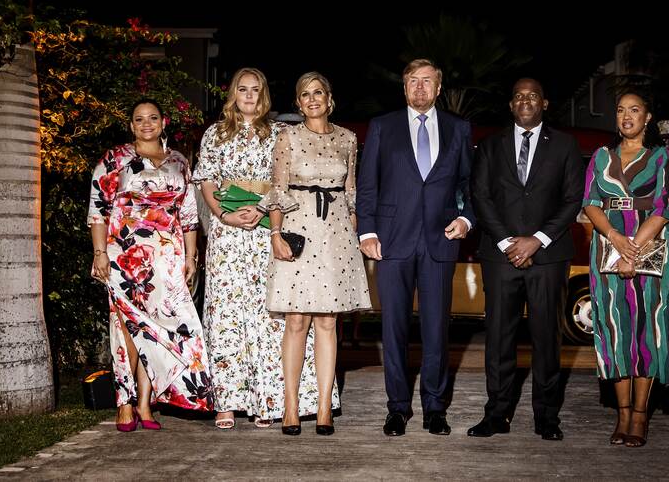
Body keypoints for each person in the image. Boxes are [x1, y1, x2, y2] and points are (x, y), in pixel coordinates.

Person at [194, 68, 331, 429]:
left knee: (268, 315)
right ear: (233, 94)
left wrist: (262, 210)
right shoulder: (215, 134)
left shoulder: (279, 133)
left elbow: (285, 181)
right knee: (225, 313)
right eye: (243, 89)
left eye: (256, 89)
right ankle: (225, 402)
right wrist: (223, 213)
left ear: (264, 94)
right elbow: (206, 182)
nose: (249, 95)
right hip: (227, 233)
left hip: (266, 227)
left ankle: (265, 400)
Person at [356, 58, 475, 437]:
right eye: (413, 81)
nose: (420, 88)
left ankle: (435, 408)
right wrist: (367, 232)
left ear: (439, 88)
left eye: (427, 81)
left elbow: (469, 185)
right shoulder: (382, 127)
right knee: (393, 328)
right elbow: (368, 185)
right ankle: (397, 408)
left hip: (440, 240)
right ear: (404, 87)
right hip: (392, 241)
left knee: (437, 328)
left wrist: (467, 219)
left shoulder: (458, 129)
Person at [467, 78, 584, 441]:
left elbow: (571, 199)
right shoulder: (490, 145)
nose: (525, 101)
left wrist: (536, 240)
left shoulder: (565, 145)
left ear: (544, 103)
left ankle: (546, 416)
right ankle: (496, 414)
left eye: (532, 95)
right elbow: (481, 196)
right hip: (499, 256)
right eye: (518, 96)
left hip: (548, 256)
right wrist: (507, 242)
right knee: (498, 338)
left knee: (547, 338)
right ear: (511, 104)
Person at [88, 99, 213, 431]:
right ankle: (124, 403)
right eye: (139, 119)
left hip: (166, 259)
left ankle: (146, 404)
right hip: (123, 256)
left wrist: (190, 258)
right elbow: (97, 211)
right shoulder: (113, 159)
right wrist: (99, 253)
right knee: (127, 327)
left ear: (163, 122)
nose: (146, 124)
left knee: (161, 329)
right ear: (131, 125)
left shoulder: (179, 161)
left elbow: (188, 218)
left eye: (152, 118)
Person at [263, 71, 371, 436]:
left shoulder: (348, 139)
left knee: (328, 322)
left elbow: (352, 192)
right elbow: (278, 189)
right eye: (305, 94)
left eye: (318, 93)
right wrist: (276, 233)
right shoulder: (287, 136)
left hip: (336, 233)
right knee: (297, 321)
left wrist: (353, 235)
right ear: (298, 102)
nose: (312, 99)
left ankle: (325, 406)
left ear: (329, 98)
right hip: (299, 228)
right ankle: (291, 406)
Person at [582, 89, 669, 447]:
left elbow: (665, 207)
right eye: (621, 110)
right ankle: (621, 415)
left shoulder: (662, 157)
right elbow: (590, 203)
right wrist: (614, 238)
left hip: (651, 249)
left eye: (635, 110)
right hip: (607, 249)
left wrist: (633, 249)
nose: (627, 116)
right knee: (615, 334)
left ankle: (640, 417)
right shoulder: (600, 156)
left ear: (647, 117)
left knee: (648, 335)